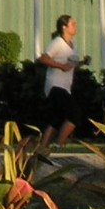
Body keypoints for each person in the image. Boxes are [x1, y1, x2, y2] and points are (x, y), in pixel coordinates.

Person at [38, 14, 86, 147]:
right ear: (64, 27)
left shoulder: (73, 44)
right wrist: (61, 66)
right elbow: (43, 58)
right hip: (55, 85)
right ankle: (59, 144)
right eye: (72, 24)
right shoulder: (58, 42)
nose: (75, 27)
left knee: (56, 119)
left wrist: (82, 62)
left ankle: (43, 148)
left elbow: (71, 65)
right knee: (74, 115)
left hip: (65, 87)